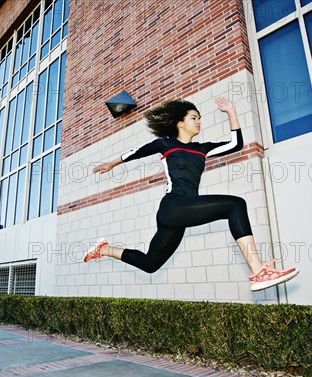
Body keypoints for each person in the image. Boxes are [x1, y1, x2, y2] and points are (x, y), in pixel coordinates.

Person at [83, 97, 298, 292]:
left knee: (150, 264)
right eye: (194, 117)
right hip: (173, 206)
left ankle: (104, 249)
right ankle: (258, 271)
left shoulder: (202, 148)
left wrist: (231, 111)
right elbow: (136, 152)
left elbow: (236, 144)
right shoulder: (165, 143)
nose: (198, 122)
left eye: (200, 119)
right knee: (235, 204)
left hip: (181, 213)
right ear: (180, 122)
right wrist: (111, 164)